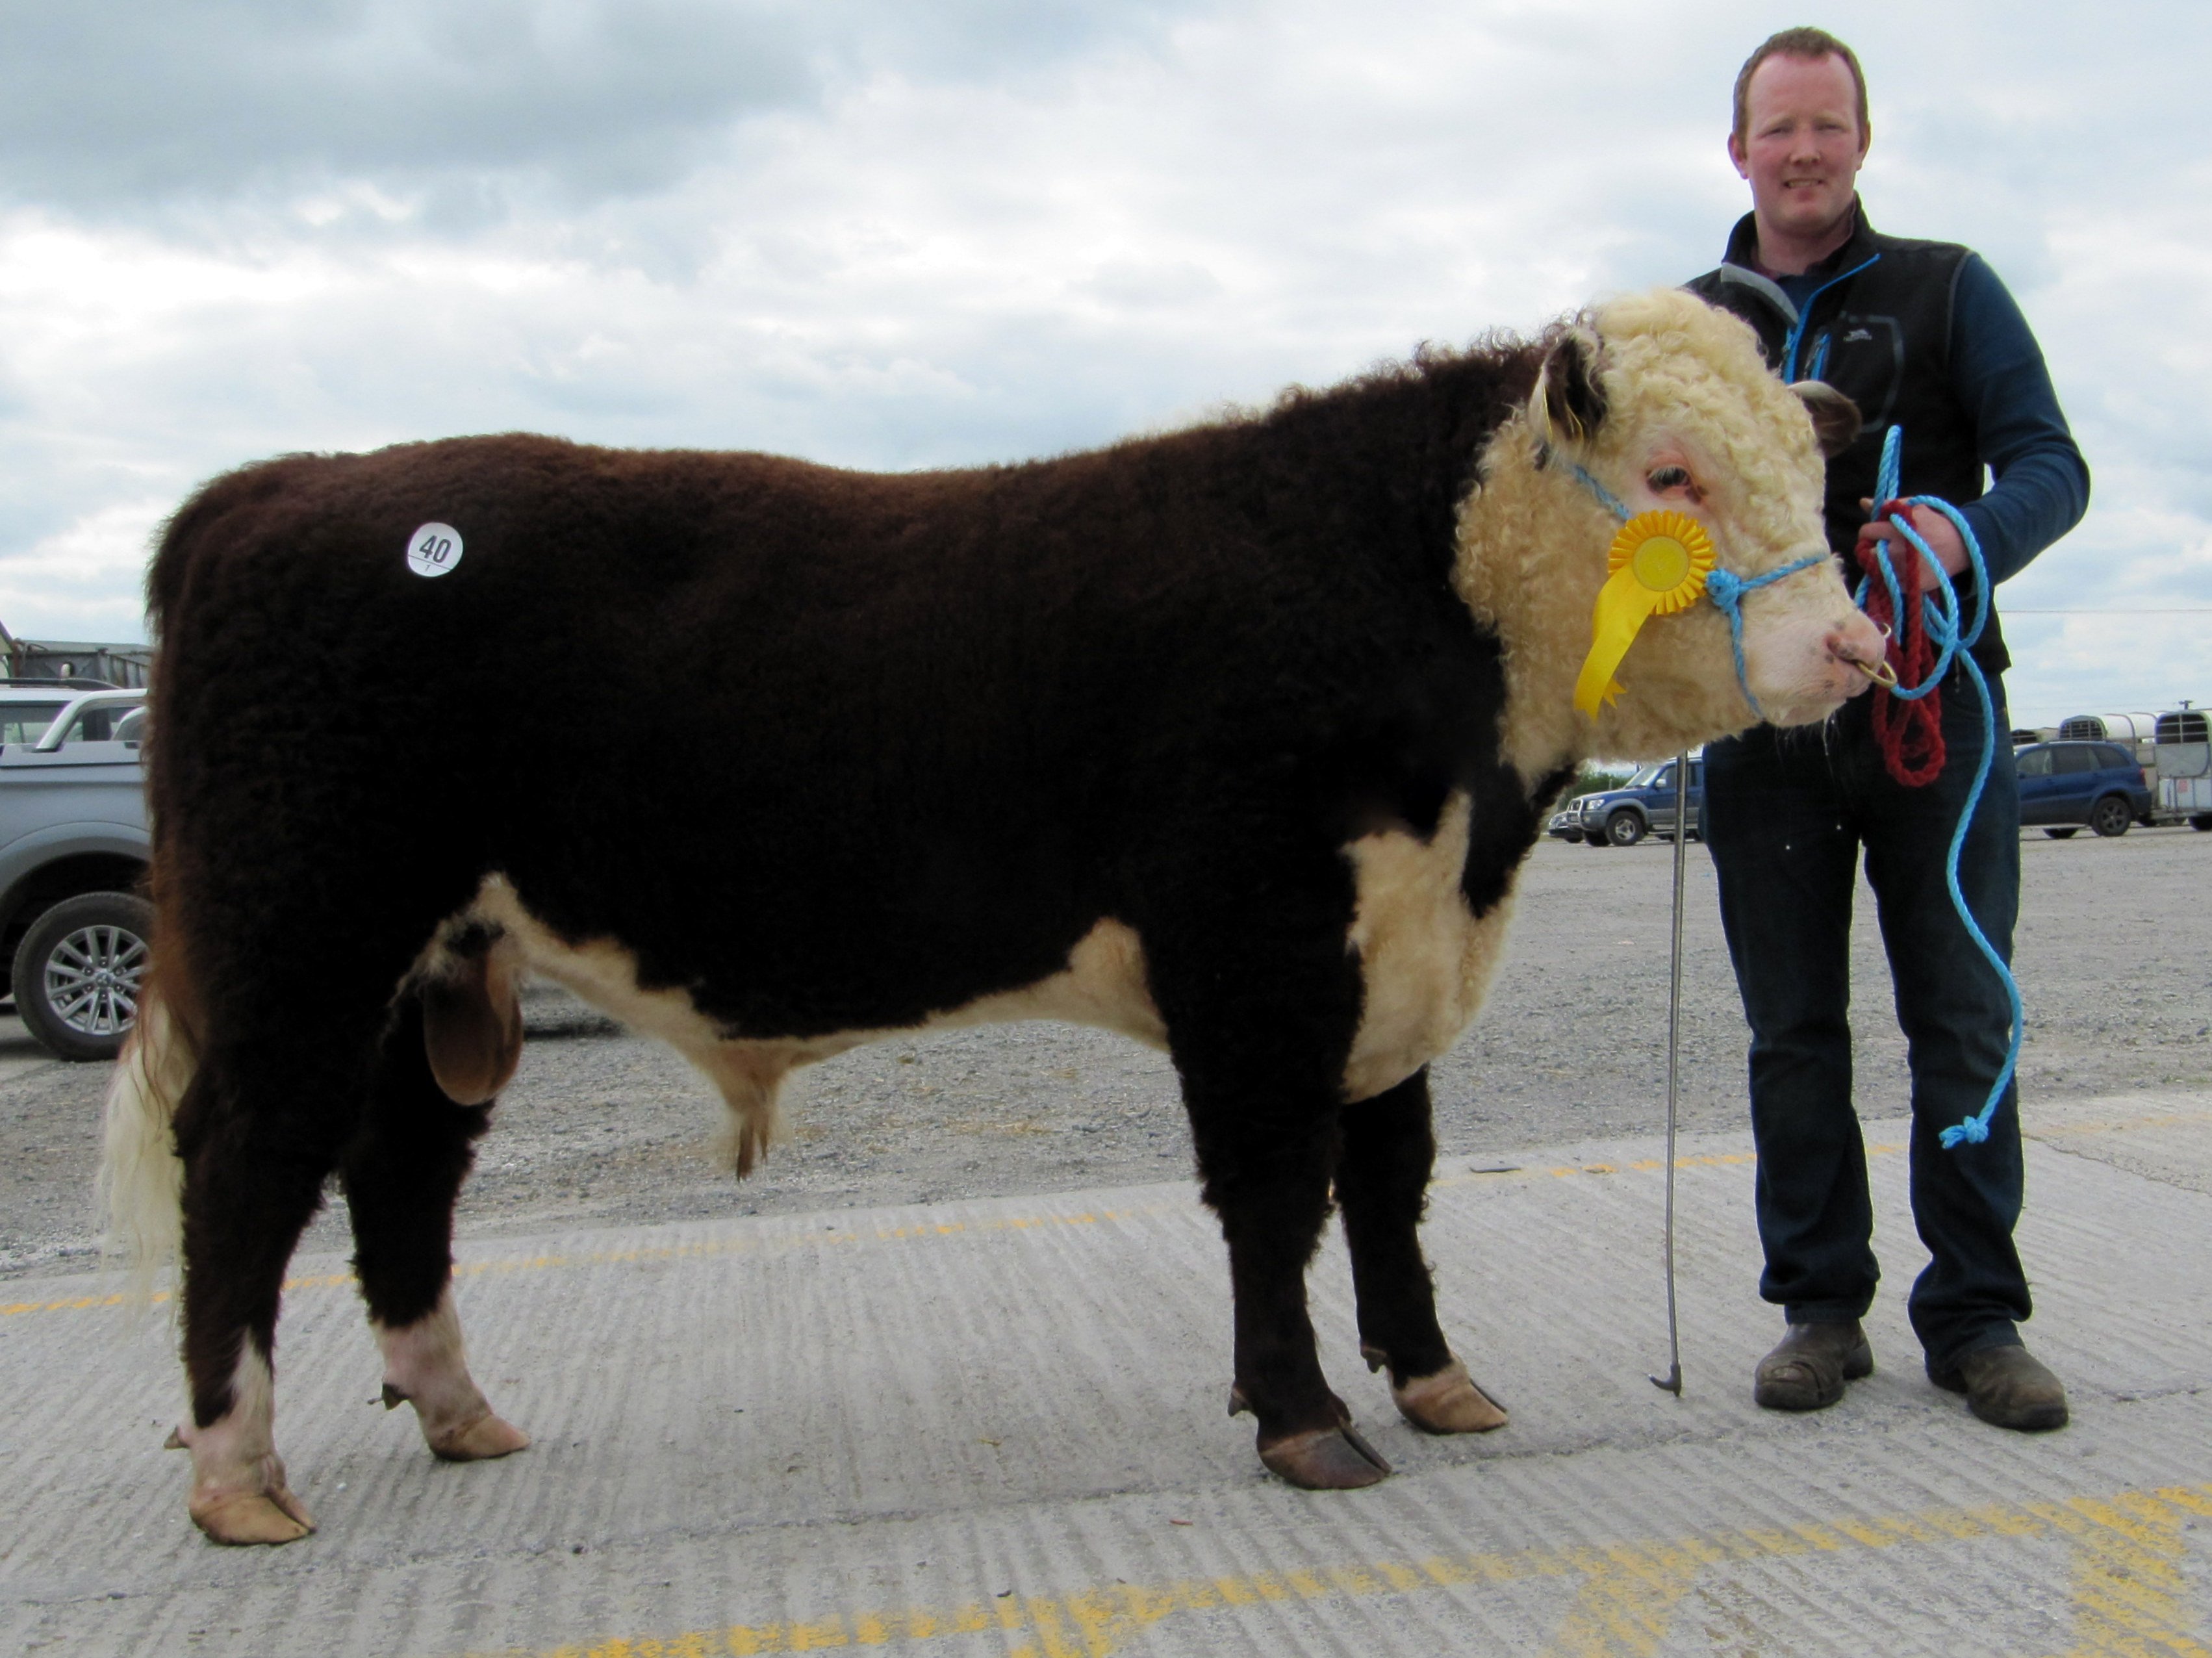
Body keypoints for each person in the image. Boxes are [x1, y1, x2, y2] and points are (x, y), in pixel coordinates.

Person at [1686, 27, 2089, 1430]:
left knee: (1960, 1016)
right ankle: (1817, 1307)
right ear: (1734, 148)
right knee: (1790, 1029)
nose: (1802, 152)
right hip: (1760, 726)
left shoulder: (1951, 287)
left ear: (1861, 140)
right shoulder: (1686, 325)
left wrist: (1962, 537)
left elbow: (2052, 462)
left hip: (1937, 709)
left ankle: (1974, 1314)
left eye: (1827, 127)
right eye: (1777, 129)